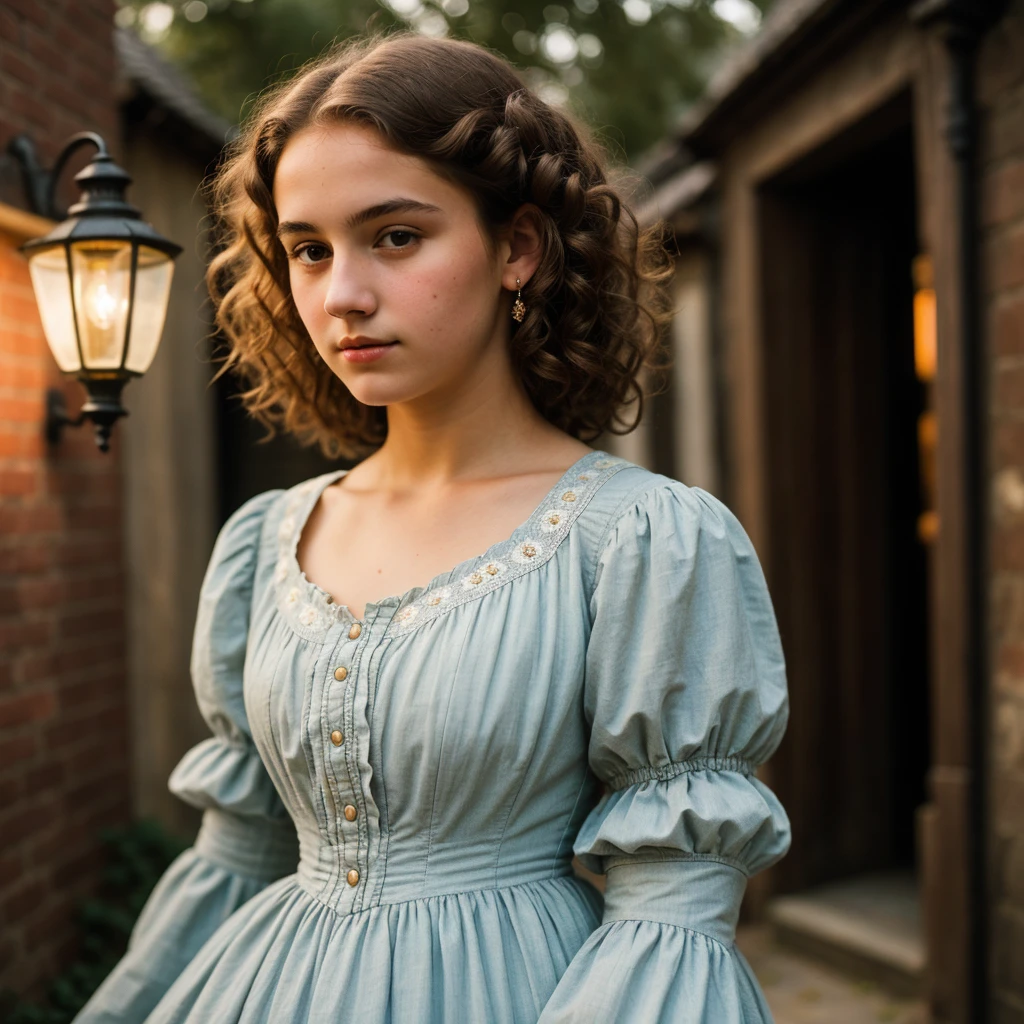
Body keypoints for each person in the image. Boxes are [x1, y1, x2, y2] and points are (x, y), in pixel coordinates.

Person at [74, 31, 791, 1024]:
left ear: (518, 248)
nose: (343, 296)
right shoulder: (264, 542)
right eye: (308, 250)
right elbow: (237, 855)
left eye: (396, 236)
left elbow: (670, 899)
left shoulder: (641, 541)